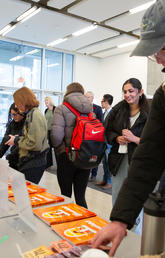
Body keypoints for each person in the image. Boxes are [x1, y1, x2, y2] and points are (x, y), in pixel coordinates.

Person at [91, 0, 165, 256]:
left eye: (162, 47)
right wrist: (120, 220)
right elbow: (149, 155)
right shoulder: (164, 94)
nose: (157, 57)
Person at [51, 82, 94, 208]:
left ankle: (66, 225)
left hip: (68, 155)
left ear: (67, 92)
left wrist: (59, 150)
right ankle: (84, 225)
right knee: (81, 197)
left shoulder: (61, 108)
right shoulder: (90, 110)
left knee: (65, 195)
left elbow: (57, 135)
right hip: (86, 157)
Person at [5, 87, 49, 184]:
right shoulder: (32, 114)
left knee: (24, 194)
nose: (16, 105)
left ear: (24, 101)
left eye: (17, 102)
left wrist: (16, 140)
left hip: (33, 162)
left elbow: (33, 144)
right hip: (31, 161)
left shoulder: (34, 115)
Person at [0, 103, 25, 170]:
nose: (13, 117)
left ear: (22, 113)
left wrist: (10, 157)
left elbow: (22, 143)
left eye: (15, 114)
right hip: (13, 159)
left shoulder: (27, 125)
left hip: (24, 160)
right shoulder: (12, 124)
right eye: (12, 114)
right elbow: (5, 141)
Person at [96, 94, 113, 190]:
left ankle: (110, 182)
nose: (101, 103)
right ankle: (105, 179)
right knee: (104, 162)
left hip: (109, 142)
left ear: (106, 102)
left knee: (109, 162)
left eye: (102, 101)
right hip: (103, 141)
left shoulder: (114, 113)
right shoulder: (104, 113)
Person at [85, 91, 102, 182]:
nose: (86, 99)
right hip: (86, 136)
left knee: (94, 156)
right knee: (86, 155)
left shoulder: (98, 108)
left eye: (87, 97)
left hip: (95, 136)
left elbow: (100, 123)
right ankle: (86, 173)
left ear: (92, 98)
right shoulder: (83, 108)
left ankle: (94, 174)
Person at [44, 96, 56, 170]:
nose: (45, 102)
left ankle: (60, 165)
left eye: (47, 100)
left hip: (54, 131)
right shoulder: (46, 110)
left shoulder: (55, 109)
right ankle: (49, 164)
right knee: (48, 147)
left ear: (50, 101)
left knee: (56, 148)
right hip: (47, 131)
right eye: (45, 101)